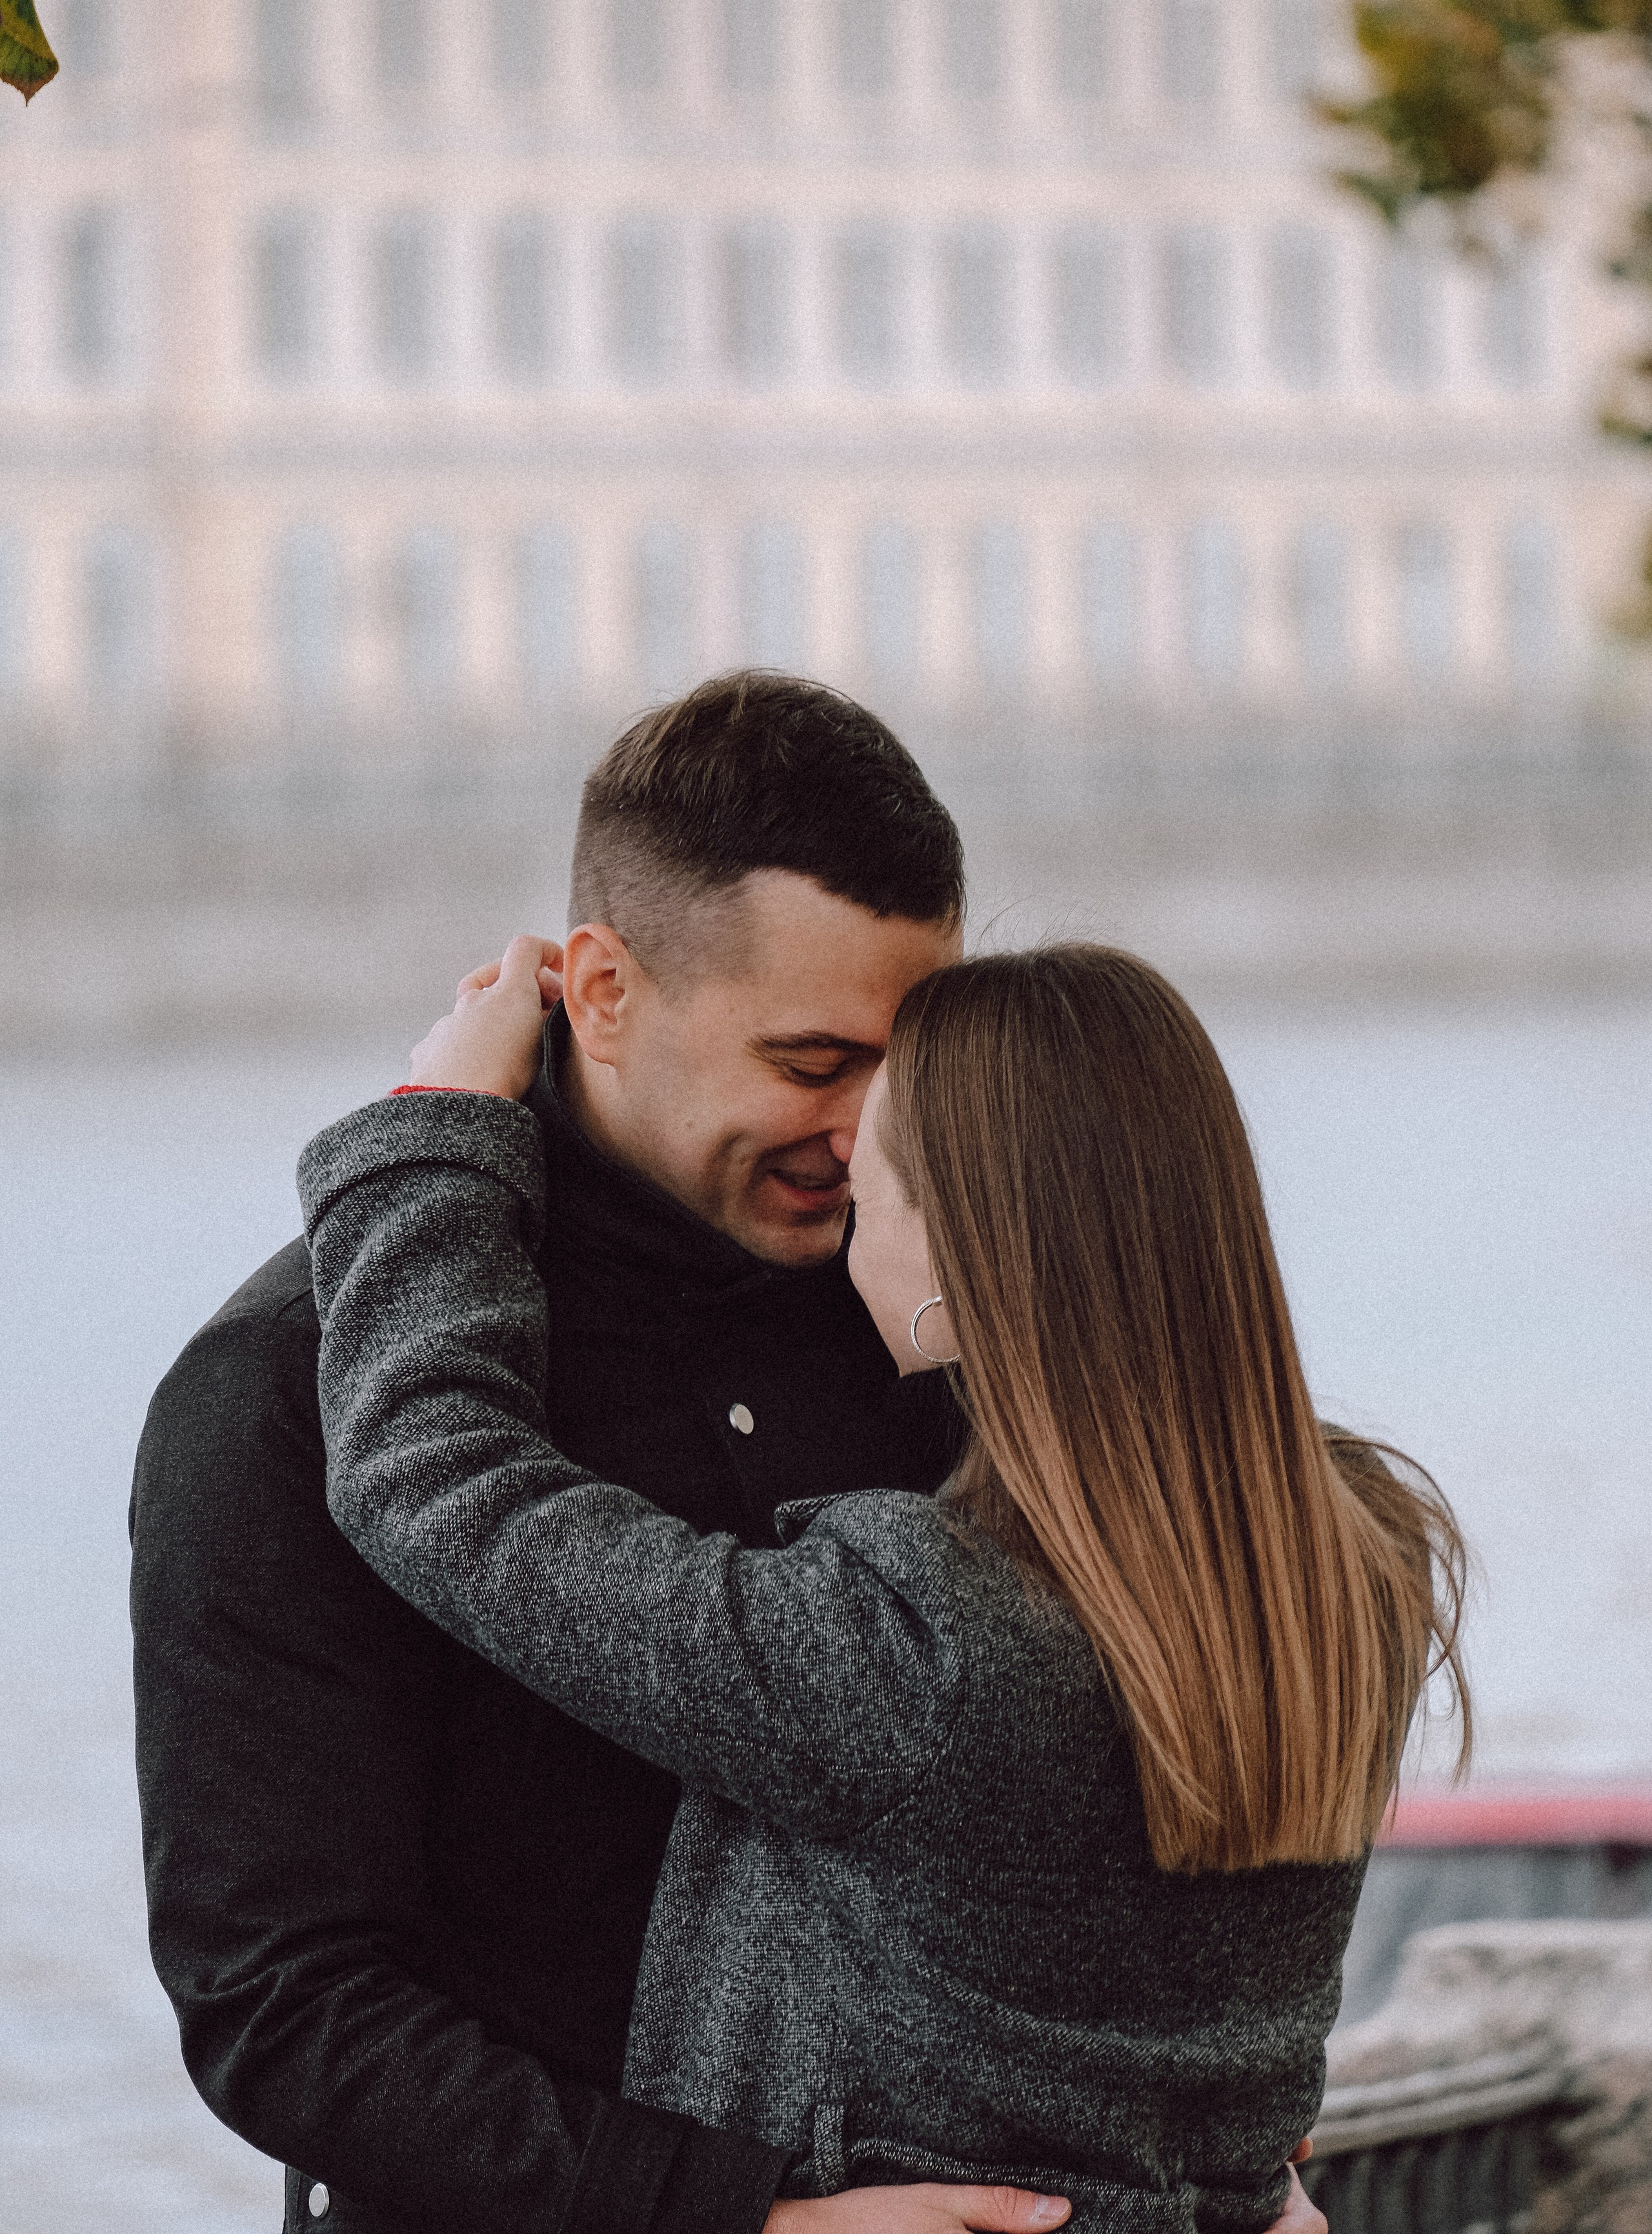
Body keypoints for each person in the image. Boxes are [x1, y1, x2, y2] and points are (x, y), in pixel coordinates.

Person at [132, 672, 1325, 2234]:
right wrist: (737, 2221)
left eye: (912, 1073)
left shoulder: (942, 1306)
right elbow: (280, 2007)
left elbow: (1131, 1776)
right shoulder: (291, 1384)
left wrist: (1234, 2153)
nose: (871, 1135)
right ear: (603, 990)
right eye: (815, 1063)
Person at [296, 936, 1470, 2232]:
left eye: (872, 1186)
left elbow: (439, 1484)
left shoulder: (915, 1645)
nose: (840, 1181)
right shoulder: (1360, 1561)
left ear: (961, 1262)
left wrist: (440, 1123)